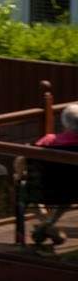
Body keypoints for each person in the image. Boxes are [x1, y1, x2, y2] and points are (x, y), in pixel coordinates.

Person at [31, 103, 78, 248]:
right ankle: (47, 226)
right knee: (68, 191)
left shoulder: (48, 141)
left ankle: (46, 226)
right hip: (74, 191)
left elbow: (29, 159)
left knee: (24, 187)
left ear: (64, 122)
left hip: (45, 191)